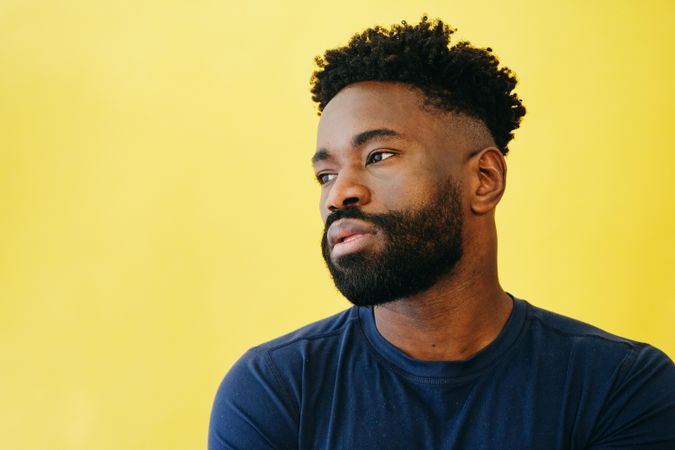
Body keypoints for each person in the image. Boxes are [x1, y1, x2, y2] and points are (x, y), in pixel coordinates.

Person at [208, 17, 675, 449]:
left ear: (484, 180)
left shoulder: (620, 385)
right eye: (325, 175)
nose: (338, 195)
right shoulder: (275, 389)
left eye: (378, 156)